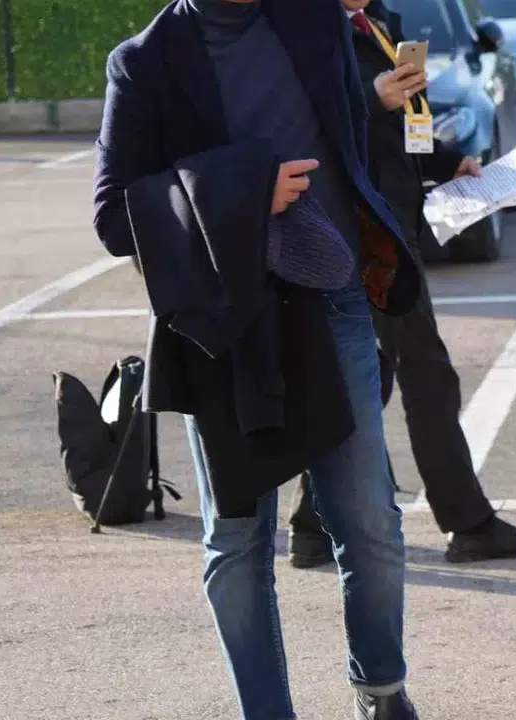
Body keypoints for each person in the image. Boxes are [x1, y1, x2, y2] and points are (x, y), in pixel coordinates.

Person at [92, 0, 425, 717]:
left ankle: (380, 689)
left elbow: (347, 134)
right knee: (238, 541)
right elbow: (114, 216)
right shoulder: (143, 63)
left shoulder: (314, 19)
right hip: (226, 328)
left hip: (332, 303)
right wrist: (241, 191)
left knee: (369, 520)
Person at [286, 0, 516, 569]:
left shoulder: (378, 23)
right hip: (358, 236)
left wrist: (448, 163)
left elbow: (397, 132)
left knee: (369, 377)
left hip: (391, 230)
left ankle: (314, 524)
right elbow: (303, 124)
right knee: (420, 377)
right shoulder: (304, 30)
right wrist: (371, 99)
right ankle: (467, 522)